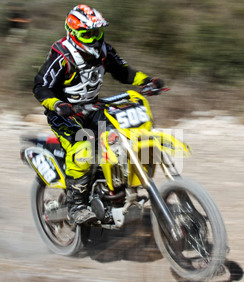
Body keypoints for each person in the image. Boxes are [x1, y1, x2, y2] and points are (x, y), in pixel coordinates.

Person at [33, 4, 164, 225]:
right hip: (65, 113)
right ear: (73, 33)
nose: (94, 38)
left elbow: (123, 71)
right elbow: (40, 87)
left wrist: (147, 81)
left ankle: (118, 189)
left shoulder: (104, 50)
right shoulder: (62, 55)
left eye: (97, 32)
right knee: (84, 147)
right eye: (88, 34)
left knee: (121, 137)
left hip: (92, 107)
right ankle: (76, 207)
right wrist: (58, 105)